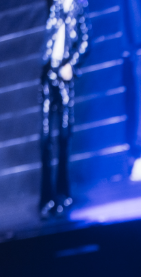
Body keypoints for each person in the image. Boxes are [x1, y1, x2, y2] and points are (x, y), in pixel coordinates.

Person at [40, 0, 88, 218]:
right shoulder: (54, 8)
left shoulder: (79, 8)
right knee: (46, 139)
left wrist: (72, 64)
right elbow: (50, 36)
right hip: (48, 75)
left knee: (64, 136)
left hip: (64, 79)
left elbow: (86, 41)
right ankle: (46, 197)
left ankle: (63, 194)